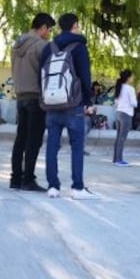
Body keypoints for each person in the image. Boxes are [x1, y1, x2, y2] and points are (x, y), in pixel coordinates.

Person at [39, 12, 98, 199]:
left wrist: (46, 97)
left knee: (52, 146)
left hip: (52, 103)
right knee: (77, 146)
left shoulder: (49, 47)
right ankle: (77, 187)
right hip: (74, 104)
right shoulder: (79, 47)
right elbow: (85, 76)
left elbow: (40, 74)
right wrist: (87, 101)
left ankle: (53, 187)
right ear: (75, 25)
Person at [9, 12, 55, 191]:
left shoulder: (16, 44)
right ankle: (28, 178)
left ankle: (15, 178)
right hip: (36, 97)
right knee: (34, 140)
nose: (49, 34)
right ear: (42, 28)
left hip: (20, 96)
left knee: (20, 139)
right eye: (49, 30)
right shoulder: (42, 46)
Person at [112, 69, 137, 166]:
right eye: (132, 76)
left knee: (118, 137)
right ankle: (119, 160)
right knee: (122, 138)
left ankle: (116, 159)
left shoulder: (119, 87)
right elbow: (134, 103)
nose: (133, 78)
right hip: (126, 114)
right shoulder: (130, 89)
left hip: (118, 113)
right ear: (128, 78)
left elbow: (116, 102)